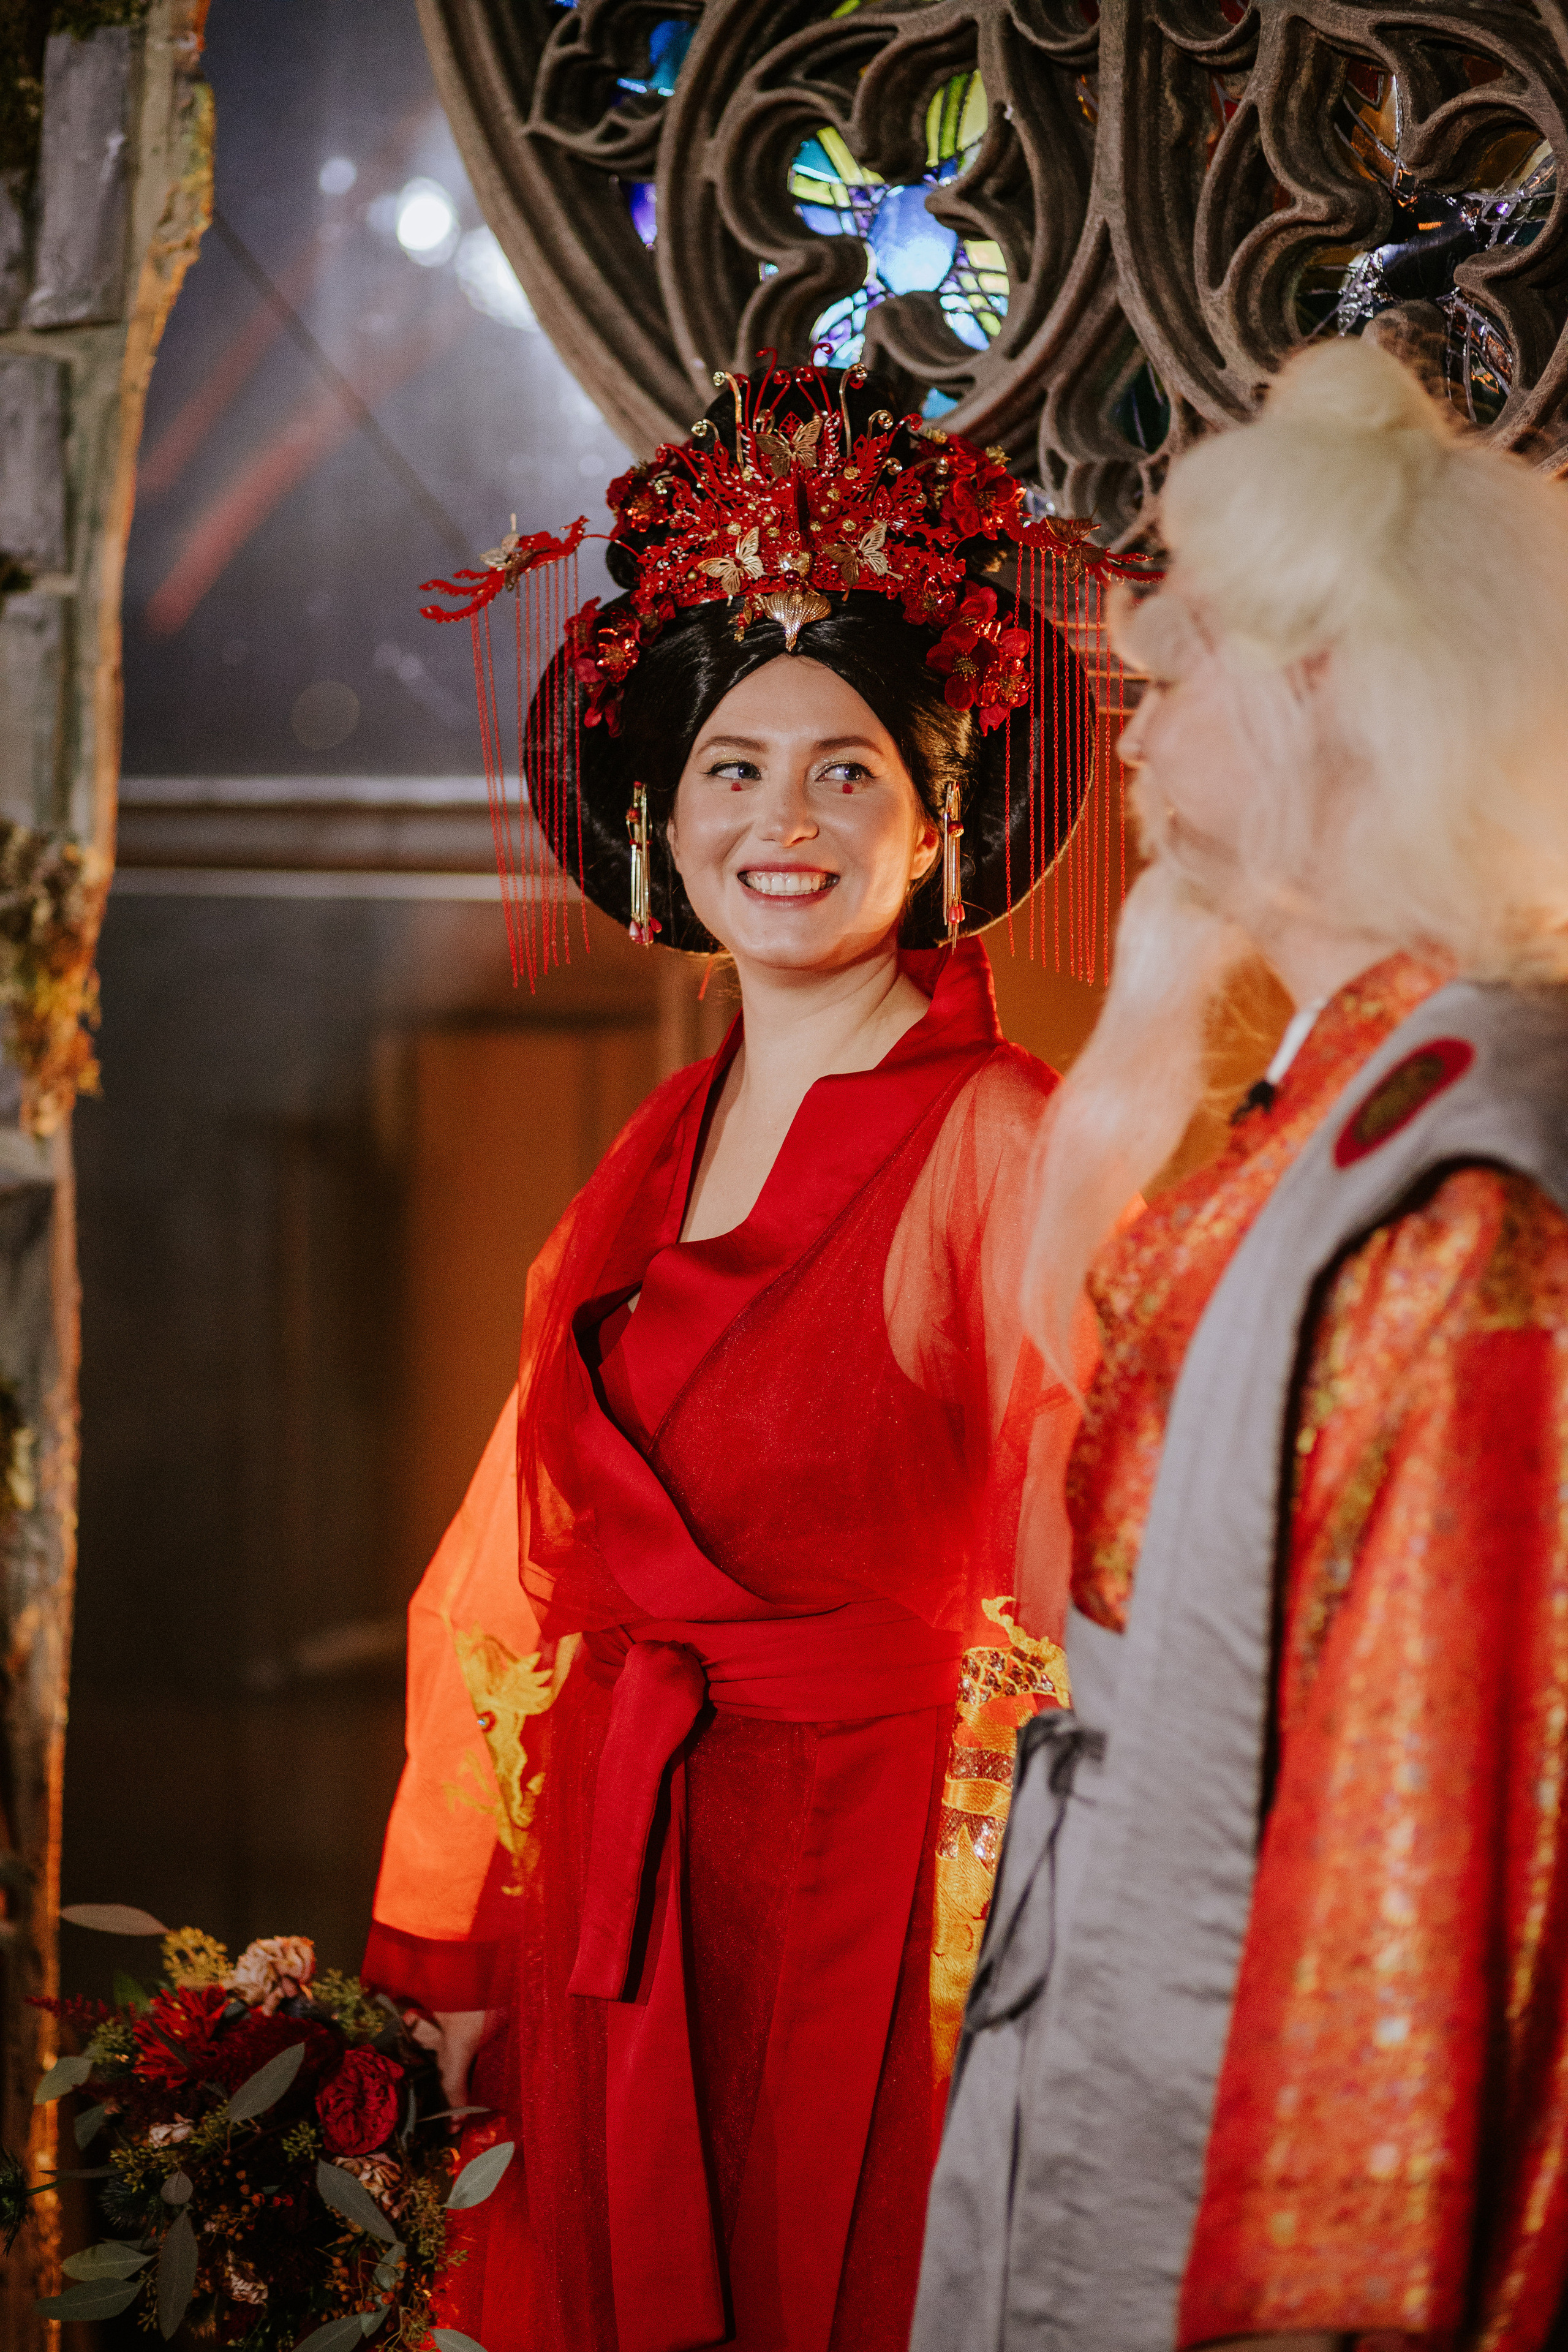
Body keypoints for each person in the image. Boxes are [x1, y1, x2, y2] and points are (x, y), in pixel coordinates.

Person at [363, 364, 1112, 2352]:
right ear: (659, 819)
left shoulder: (1004, 1143)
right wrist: (446, 1941)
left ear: (941, 820)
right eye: (732, 771)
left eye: (848, 770)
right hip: (616, 1866)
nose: (785, 823)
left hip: (869, 1904)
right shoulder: (635, 1165)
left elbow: (1096, 1570)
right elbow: (500, 1582)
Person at [914, 336, 1568, 2352]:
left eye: (1176, 665)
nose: (1129, 715)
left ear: (1326, 699)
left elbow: (1411, 1884)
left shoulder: (1458, 1212)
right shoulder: (1322, 1119)